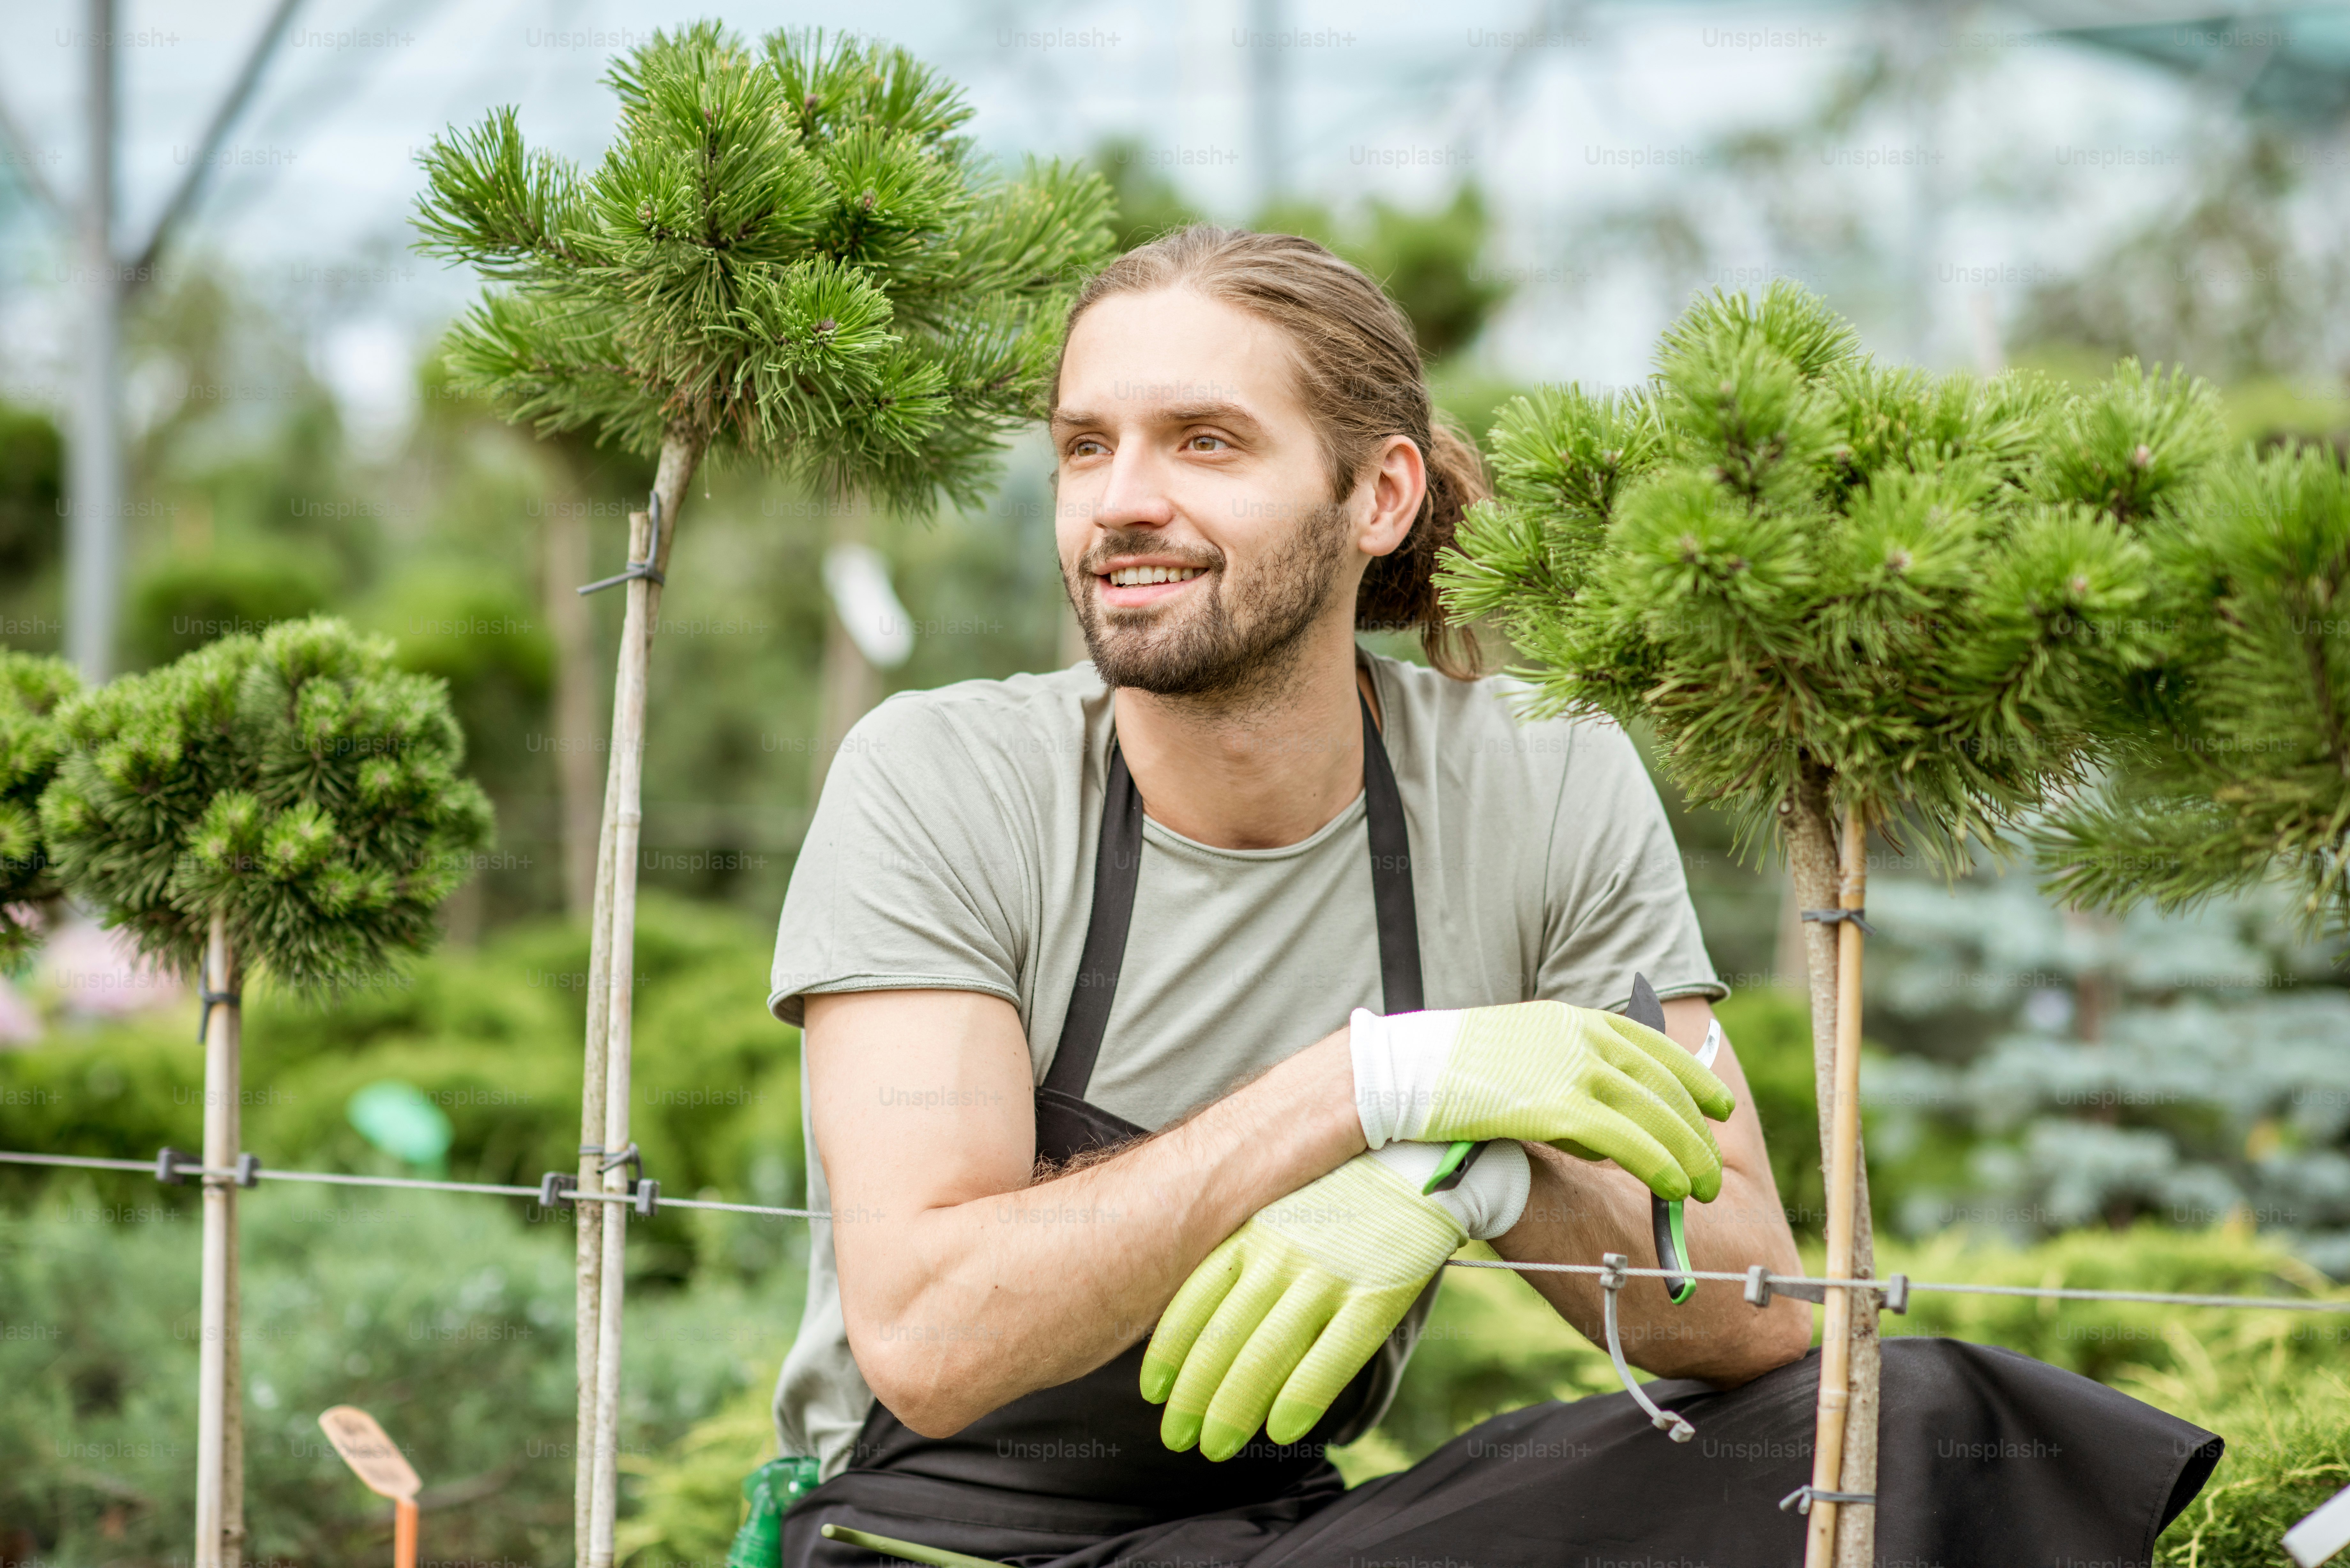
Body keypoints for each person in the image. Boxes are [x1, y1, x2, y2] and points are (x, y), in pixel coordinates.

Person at [761, 227, 2218, 1568]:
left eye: (1205, 441)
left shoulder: (1542, 778)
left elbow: (1749, 1302)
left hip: (1273, 1537)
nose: (1125, 500)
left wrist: (1470, 1168)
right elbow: (931, 1333)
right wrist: (1377, 1080)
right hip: (927, 1543)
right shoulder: (944, 775)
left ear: (1377, 495)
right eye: (1088, 445)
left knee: (1886, 1416)